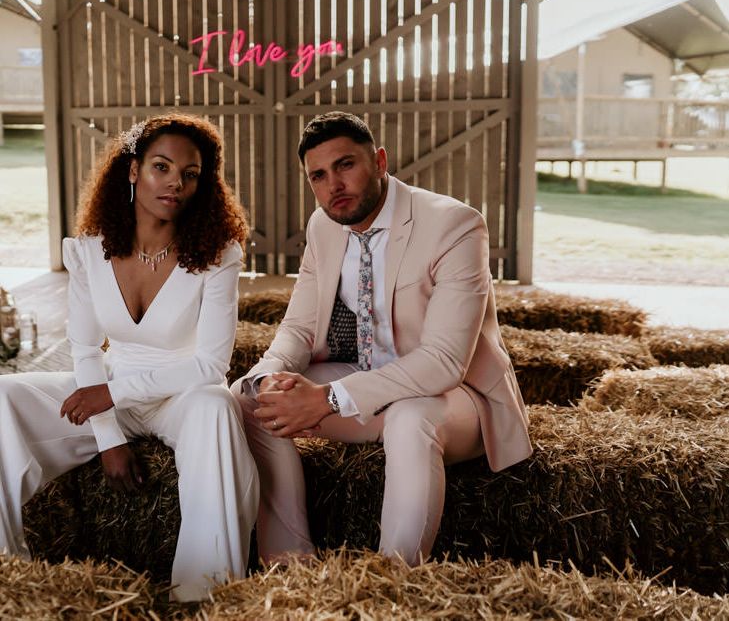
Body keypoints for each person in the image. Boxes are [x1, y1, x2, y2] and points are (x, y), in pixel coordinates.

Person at [231, 111, 532, 566]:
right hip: (368, 385)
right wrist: (271, 376)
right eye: (319, 175)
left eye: (346, 165)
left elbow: (444, 362)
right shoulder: (322, 226)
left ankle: (392, 581)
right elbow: (299, 328)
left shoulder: (453, 225)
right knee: (249, 398)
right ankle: (289, 561)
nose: (334, 184)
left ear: (379, 161)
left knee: (411, 417)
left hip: (454, 399)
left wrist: (329, 398)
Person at [0, 113, 259, 602]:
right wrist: (107, 437)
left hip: (180, 395)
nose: (176, 183)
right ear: (133, 169)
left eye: (190, 174)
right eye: (162, 167)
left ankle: (202, 596)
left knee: (217, 407)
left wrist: (110, 395)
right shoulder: (88, 250)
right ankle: (9, 577)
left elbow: (210, 367)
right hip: (110, 390)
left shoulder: (218, 252)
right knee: (3, 398)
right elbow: (82, 349)